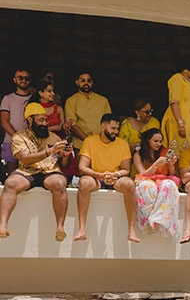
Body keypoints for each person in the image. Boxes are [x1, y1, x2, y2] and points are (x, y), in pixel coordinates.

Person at [0, 103, 71, 240]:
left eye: (46, 120)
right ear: (30, 120)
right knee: (10, 183)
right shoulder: (19, 137)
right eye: (41, 120)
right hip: (28, 171)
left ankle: (60, 227)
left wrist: (66, 154)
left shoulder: (54, 138)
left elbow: (64, 164)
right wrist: (50, 150)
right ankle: (2, 225)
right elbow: (25, 159)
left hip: (50, 171)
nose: (45, 123)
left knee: (60, 183)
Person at [75, 113, 139, 243]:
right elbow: (82, 167)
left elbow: (126, 169)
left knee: (130, 184)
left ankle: (131, 230)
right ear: (103, 126)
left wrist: (115, 175)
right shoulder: (89, 141)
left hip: (116, 179)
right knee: (84, 183)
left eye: (117, 129)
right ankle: (82, 229)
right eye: (113, 128)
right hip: (96, 178)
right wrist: (99, 175)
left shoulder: (122, 144)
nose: (116, 132)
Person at [133, 128, 180, 241]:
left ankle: (158, 218)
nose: (159, 144)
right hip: (147, 181)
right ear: (147, 141)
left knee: (169, 184)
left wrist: (171, 165)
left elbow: (172, 174)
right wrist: (155, 165)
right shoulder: (138, 155)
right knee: (147, 186)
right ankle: (149, 219)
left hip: (162, 180)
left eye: (160, 141)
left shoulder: (164, 153)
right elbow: (142, 175)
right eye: (155, 141)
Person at [161, 57, 190, 153]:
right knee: (176, 154)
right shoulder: (177, 79)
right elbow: (174, 102)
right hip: (178, 122)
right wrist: (180, 123)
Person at [64, 72, 111, 151]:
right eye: (83, 80)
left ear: (92, 83)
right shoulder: (71, 101)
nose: (86, 83)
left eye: (89, 81)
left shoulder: (103, 100)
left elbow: (109, 122)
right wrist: (89, 141)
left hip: (102, 144)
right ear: (77, 82)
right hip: (81, 145)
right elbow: (73, 125)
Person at [1, 69, 33, 174]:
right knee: (11, 173)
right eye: (20, 78)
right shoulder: (7, 98)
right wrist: (18, 137)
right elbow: (4, 121)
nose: (23, 80)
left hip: (32, 142)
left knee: (29, 173)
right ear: (15, 80)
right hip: (10, 140)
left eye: (26, 78)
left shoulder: (35, 98)